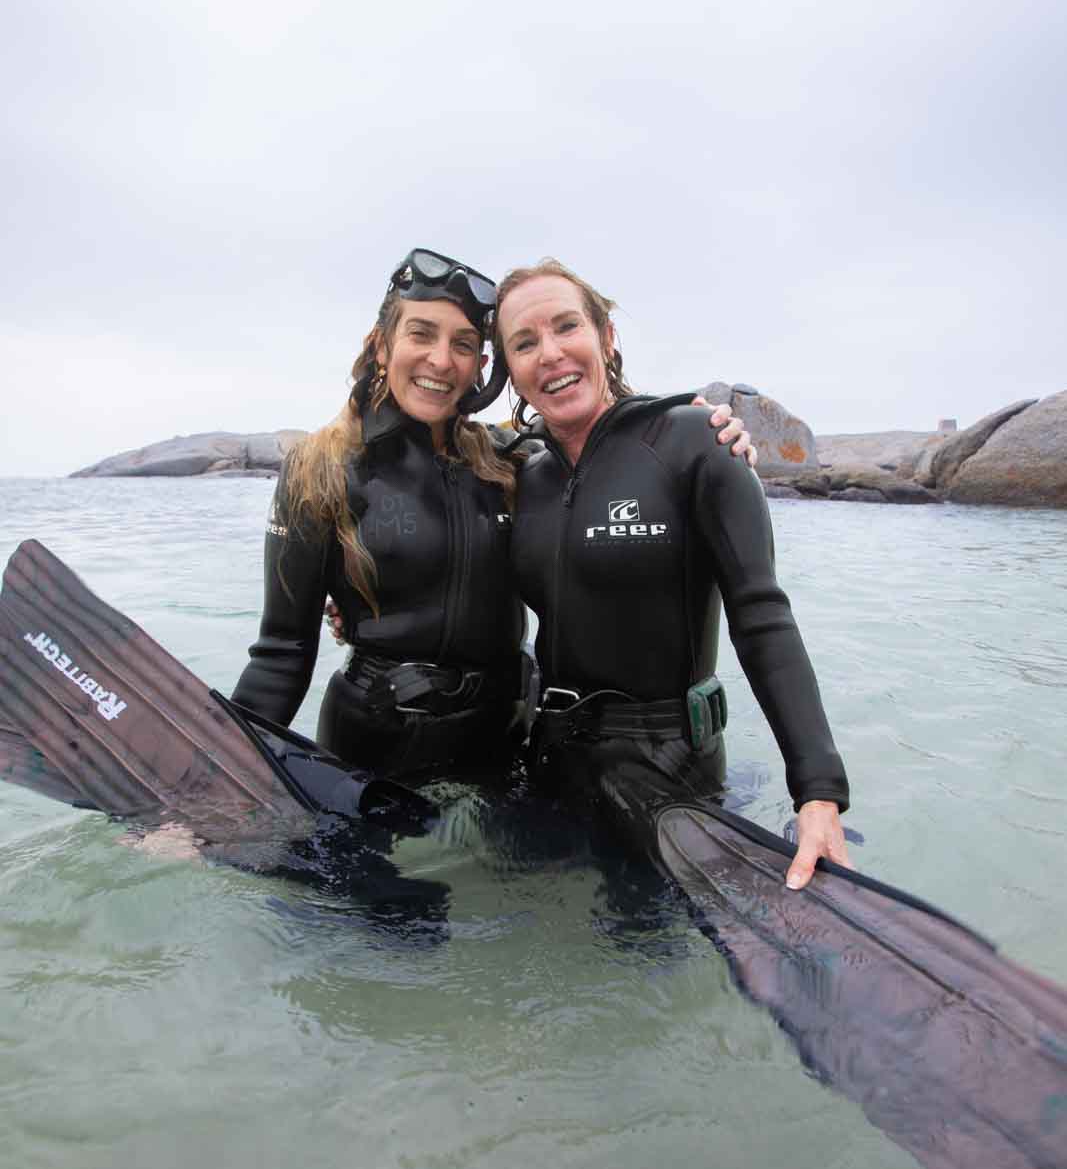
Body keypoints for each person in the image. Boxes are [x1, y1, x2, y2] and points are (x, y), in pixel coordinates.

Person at [233, 247, 754, 778]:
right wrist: (208, 786)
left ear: (483, 367)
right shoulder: (317, 469)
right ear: (382, 347)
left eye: (463, 344)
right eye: (421, 334)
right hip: (373, 751)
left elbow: (604, 455)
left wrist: (698, 434)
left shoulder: (512, 464)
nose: (441, 360)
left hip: (504, 746)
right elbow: (280, 655)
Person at [494, 258, 851, 892]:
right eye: (524, 342)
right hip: (546, 762)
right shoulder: (521, 475)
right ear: (511, 371)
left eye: (566, 327)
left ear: (606, 337)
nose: (549, 353)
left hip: (669, 771)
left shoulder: (694, 442)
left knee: (645, 966)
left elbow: (761, 614)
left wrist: (818, 790)